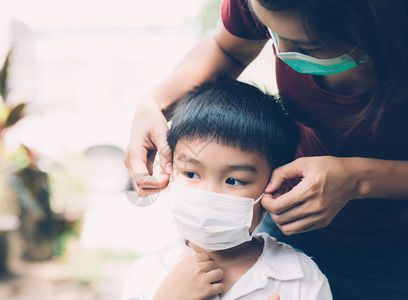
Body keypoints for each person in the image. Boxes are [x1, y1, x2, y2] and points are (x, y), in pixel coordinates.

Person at [124, 0, 408, 298]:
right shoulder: (147, 277)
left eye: (303, 46)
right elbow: (228, 48)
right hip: (291, 217)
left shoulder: (300, 281)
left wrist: (359, 178)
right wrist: (155, 102)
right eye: (271, 32)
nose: (282, 53)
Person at [123, 76, 332, 300]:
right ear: (170, 170)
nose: (209, 194)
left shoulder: (301, 279)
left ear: (276, 187)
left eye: (233, 180)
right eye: (191, 174)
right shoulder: (145, 275)